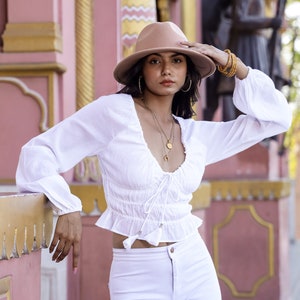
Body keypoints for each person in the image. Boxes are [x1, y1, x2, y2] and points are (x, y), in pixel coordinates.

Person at [16, 21, 291, 299]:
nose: (167, 69)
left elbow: (276, 119)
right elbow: (38, 153)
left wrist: (232, 64)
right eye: (155, 60)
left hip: (195, 266)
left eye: (177, 60)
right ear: (141, 69)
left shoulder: (195, 135)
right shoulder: (114, 113)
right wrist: (67, 206)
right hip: (136, 274)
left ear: (188, 70)